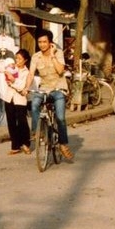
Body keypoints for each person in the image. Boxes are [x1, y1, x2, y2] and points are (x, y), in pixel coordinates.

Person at [25, 30, 74, 160]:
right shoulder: (36, 56)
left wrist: (52, 55)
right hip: (44, 89)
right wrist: (26, 88)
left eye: (44, 42)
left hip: (59, 88)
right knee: (34, 104)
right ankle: (38, 132)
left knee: (60, 118)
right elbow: (30, 74)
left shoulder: (58, 53)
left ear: (50, 42)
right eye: (40, 42)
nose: (42, 44)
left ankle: (63, 144)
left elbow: (60, 70)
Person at [1, 49, 32, 155]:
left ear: (25, 60)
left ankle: (26, 143)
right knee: (11, 121)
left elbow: (22, 86)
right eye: (16, 58)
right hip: (9, 97)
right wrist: (13, 82)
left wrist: (14, 82)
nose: (17, 61)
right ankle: (15, 145)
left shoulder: (27, 72)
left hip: (20, 99)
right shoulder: (11, 68)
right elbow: (7, 81)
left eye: (19, 59)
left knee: (22, 122)